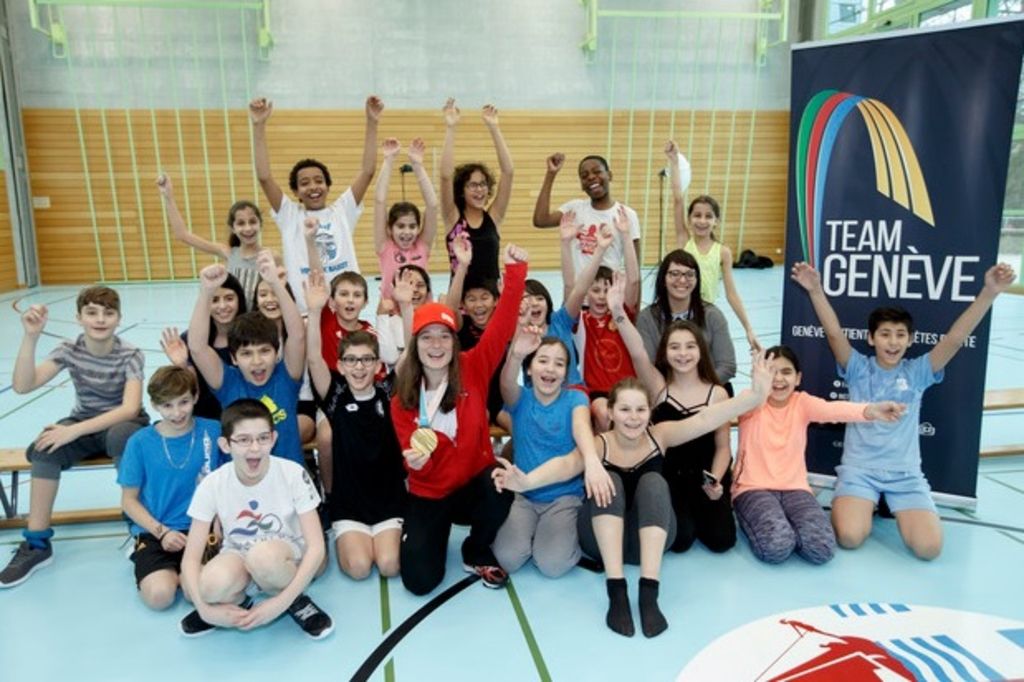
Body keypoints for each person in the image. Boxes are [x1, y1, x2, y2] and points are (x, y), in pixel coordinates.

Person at [493, 356, 771, 638]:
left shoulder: (660, 436)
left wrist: (756, 396)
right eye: (625, 409)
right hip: (601, 543)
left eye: (640, 409)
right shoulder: (599, 445)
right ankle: (617, 590)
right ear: (610, 413)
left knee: (654, 482)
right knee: (608, 479)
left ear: (650, 413)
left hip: (644, 544)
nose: (633, 417)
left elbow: (706, 418)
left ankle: (649, 592)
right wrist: (527, 481)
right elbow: (566, 464)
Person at [791, 260, 1017, 560]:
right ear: (871, 339)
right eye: (885, 334)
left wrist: (989, 293)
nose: (892, 341)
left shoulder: (919, 371)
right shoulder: (858, 368)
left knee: (929, 549)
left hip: (905, 475)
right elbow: (834, 335)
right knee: (849, 537)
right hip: (860, 472)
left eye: (900, 335)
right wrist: (816, 290)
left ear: (910, 340)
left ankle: (888, 503)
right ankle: (866, 502)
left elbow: (954, 339)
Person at [390, 244, 528, 595]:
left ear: (454, 341)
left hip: (471, 484)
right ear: (415, 344)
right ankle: (429, 531)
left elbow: (503, 323)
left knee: (499, 483)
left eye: (443, 336)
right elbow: (413, 454)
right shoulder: (403, 398)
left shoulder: (473, 366)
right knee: (419, 582)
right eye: (426, 337)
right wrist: (416, 463)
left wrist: (515, 272)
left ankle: (476, 547)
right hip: (431, 490)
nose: (436, 345)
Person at [0, 286, 149, 588]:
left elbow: (130, 407)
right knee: (44, 448)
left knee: (124, 438)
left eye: (108, 313)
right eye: (91, 312)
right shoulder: (69, 349)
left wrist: (74, 430)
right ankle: (38, 544)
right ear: (78, 317)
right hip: (83, 421)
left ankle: (140, 533)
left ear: (119, 318)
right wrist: (31, 336)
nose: (100, 319)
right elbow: (22, 385)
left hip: (122, 422)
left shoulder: (130, 354)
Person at [732, 346, 904, 565]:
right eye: (771, 371)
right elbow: (722, 411)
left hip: (796, 489)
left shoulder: (801, 402)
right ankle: (777, 526)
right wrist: (758, 388)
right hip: (752, 489)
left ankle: (788, 525)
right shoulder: (750, 400)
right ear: (759, 376)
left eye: (786, 372)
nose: (778, 379)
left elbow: (834, 410)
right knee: (776, 547)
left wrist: (871, 410)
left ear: (798, 378)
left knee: (821, 549)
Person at [178, 399, 331, 639]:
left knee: (264, 558)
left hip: (287, 557)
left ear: (273, 438)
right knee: (208, 586)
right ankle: (244, 602)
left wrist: (279, 603)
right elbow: (190, 559)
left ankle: (296, 601)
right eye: (243, 440)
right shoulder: (212, 484)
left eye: (262, 438)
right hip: (240, 555)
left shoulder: (292, 473)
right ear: (225, 445)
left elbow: (316, 547)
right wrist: (204, 609)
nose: (255, 448)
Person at [607, 273, 736, 553]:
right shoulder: (658, 387)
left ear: (701, 351)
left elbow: (724, 447)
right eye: (675, 347)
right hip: (671, 478)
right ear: (665, 353)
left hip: (705, 477)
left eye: (690, 347)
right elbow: (638, 352)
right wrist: (618, 312)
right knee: (680, 541)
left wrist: (715, 480)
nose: (683, 354)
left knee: (722, 540)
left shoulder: (718, 393)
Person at [305, 270, 406, 579]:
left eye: (366, 360)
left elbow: (411, 353)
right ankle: (343, 531)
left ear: (378, 365)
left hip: (387, 499)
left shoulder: (388, 392)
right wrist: (313, 310)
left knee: (389, 566)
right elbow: (312, 360)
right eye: (351, 360)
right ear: (340, 365)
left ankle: (393, 530)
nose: (359, 367)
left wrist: (407, 306)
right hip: (350, 503)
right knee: (360, 568)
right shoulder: (335, 395)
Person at [492, 327, 608, 578]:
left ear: (566, 373)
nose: (550, 369)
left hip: (564, 498)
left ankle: (566, 538)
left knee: (552, 565)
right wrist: (515, 356)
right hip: (525, 496)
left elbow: (581, 428)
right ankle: (536, 534)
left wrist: (592, 461)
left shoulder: (575, 400)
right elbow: (505, 382)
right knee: (508, 558)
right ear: (530, 368)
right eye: (542, 360)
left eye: (559, 364)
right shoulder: (520, 399)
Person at [249, 95, 383, 311]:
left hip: (344, 308)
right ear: (296, 191)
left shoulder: (342, 211)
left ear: (328, 186)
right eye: (305, 183)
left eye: (319, 181)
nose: (313, 187)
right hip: (306, 309)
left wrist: (372, 122)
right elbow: (264, 177)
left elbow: (367, 172)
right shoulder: (289, 215)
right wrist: (258, 125)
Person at [187, 254, 307, 466]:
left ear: (276, 352)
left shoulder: (286, 376)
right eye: (246, 353)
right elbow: (197, 347)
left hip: (285, 481)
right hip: (241, 481)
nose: (256, 361)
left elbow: (297, 335)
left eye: (264, 351)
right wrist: (206, 292)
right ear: (233, 357)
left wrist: (276, 284)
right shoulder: (228, 382)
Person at [118, 366, 221, 609]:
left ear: (195, 397)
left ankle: (184, 574)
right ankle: (163, 568)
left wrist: (219, 521)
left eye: (184, 402)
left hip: (202, 528)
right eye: (167, 405)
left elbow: (227, 482)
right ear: (154, 405)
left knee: (195, 591)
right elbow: (128, 500)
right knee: (159, 597)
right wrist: (161, 532)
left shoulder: (214, 431)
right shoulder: (139, 442)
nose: (177, 413)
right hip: (157, 531)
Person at [664, 140, 761, 351]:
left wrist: (748, 328)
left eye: (708, 216)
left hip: (705, 314)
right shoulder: (684, 241)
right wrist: (673, 161)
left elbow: (731, 293)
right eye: (697, 215)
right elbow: (678, 199)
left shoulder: (723, 252)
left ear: (716, 220)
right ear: (689, 219)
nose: (702, 220)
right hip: (679, 312)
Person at [566, 207, 641, 430]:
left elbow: (634, 281)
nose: (601, 296)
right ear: (587, 293)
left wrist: (626, 236)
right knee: (603, 413)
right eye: (595, 290)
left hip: (628, 388)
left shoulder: (621, 315)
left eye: (606, 290)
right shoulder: (581, 319)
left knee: (633, 416)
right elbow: (571, 286)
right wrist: (567, 244)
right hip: (597, 392)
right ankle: (605, 458)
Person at [157, 173, 265, 306]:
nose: (248, 228)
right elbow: (182, 235)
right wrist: (169, 197)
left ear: (260, 223)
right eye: (241, 223)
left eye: (252, 222)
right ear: (232, 228)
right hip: (234, 319)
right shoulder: (229, 252)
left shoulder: (270, 256)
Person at [636, 249, 737, 390]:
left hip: (708, 390)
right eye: (674, 274)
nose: (682, 280)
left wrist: (696, 390)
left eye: (689, 274)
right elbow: (648, 368)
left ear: (697, 280)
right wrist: (676, 393)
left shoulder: (712, 315)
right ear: (663, 279)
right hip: (664, 393)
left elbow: (727, 366)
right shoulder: (646, 318)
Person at [441, 98, 513, 285]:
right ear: (461, 190)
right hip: (461, 303)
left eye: (483, 184)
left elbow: (508, 172)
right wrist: (451, 128)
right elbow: (445, 177)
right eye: (472, 185)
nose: (479, 190)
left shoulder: (494, 218)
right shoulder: (452, 218)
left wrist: (494, 128)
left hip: (492, 301)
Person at [532, 152, 642, 276]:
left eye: (597, 172)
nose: (590, 177)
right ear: (581, 185)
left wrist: (634, 295)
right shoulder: (574, 208)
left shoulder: (627, 214)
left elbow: (635, 268)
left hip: (608, 291)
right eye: (584, 176)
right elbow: (541, 220)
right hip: (577, 292)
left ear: (609, 175)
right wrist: (551, 174)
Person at [159, 272, 247, 421]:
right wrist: (182, 365)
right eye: (215, 300)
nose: (222, 306)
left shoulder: (251, 336)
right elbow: (191, 394)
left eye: (229, 298)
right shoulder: (191, 340)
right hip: (204, 417)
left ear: (240, 300)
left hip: (243, 414)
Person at [374, 137, 440, 302]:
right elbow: (379, 201)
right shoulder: (385, 246)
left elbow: (432, 205)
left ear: (418, 229)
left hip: (421, 311)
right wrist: (388, 161)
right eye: (401, 226)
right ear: (390, 229)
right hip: (393, 314)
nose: (406, 232)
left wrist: (417, 166)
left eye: (412, 226)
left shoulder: (422, 246)